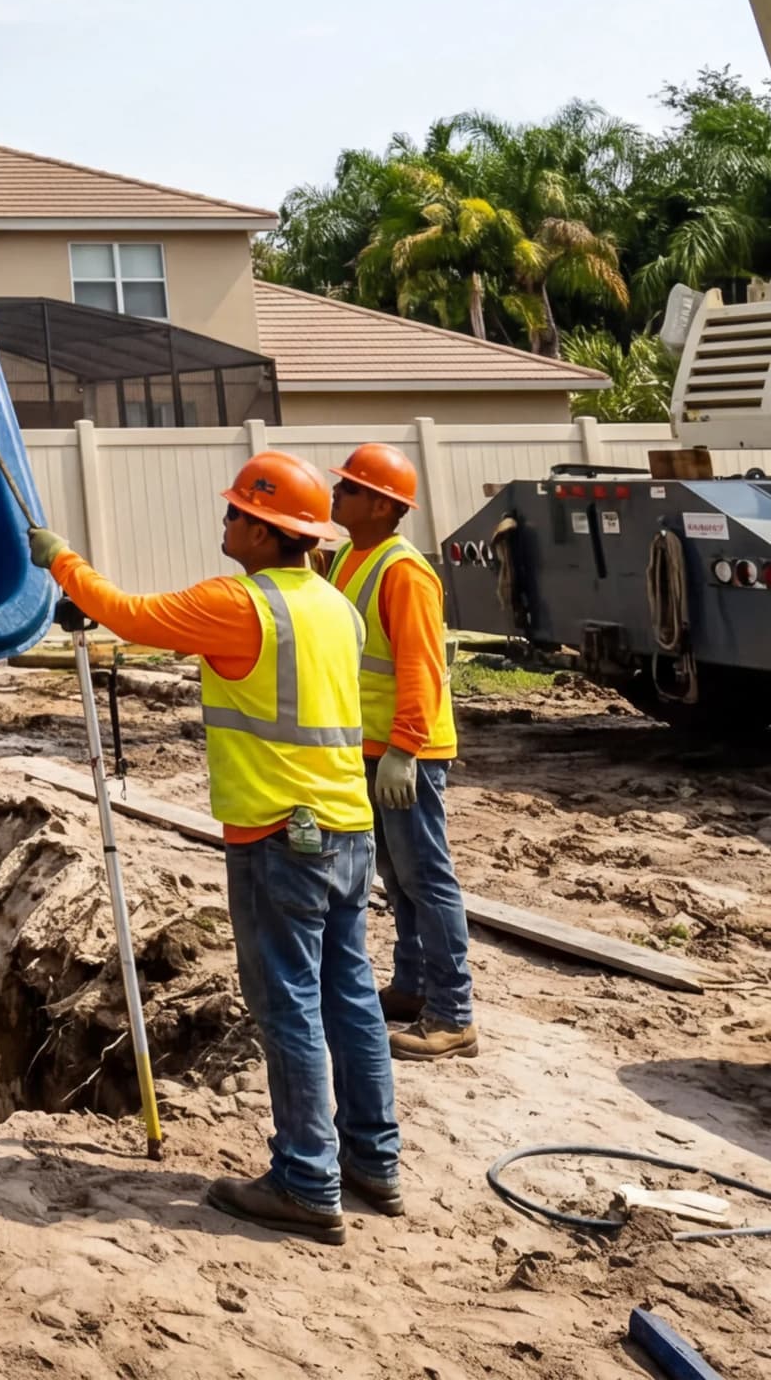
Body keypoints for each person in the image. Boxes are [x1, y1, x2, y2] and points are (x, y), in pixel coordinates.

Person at [31, 451, 396, 1242]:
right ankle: (374, 1160)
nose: (225, 522)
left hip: (279, 837)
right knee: (350, 996)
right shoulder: (333, 605)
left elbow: (128, 615)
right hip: (348, 830)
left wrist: (60, 558)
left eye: (237, 513)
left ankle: (306, 1180)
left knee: (289, 1005)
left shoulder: (241, 605)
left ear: (266, 534)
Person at [325, 442, 474, 1059]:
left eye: (349, 489)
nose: (336, 495)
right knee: (397, 876)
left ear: (383, 507)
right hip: (371, 746)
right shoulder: (347, 560)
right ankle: (413, 987)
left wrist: (405, 749)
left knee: (426, 878)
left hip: (405, 751)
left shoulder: (403, 570)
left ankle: (452, 1012)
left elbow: (422, 665)